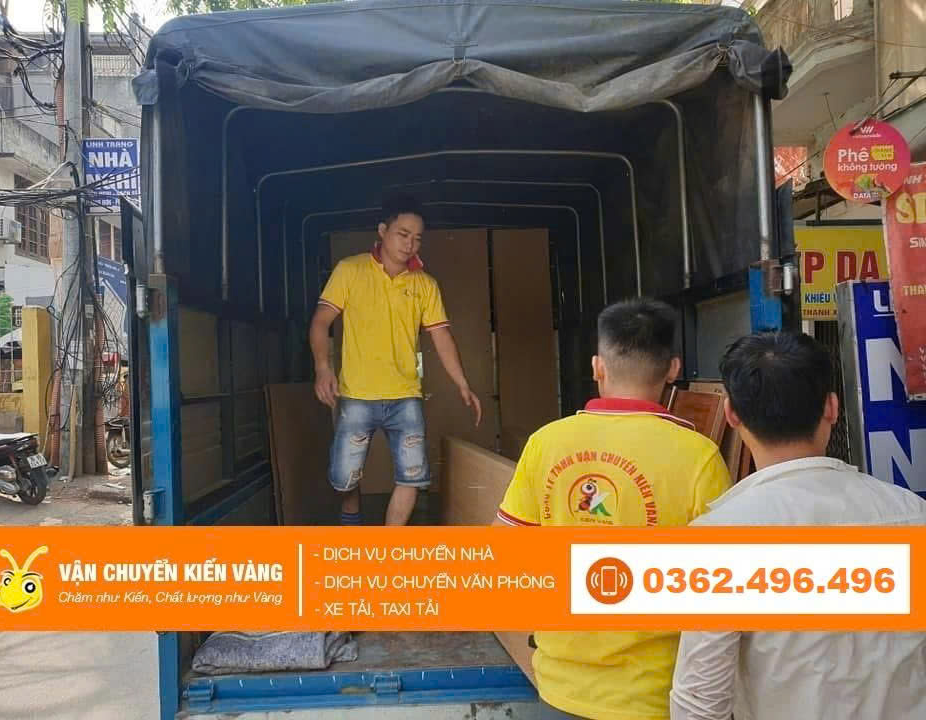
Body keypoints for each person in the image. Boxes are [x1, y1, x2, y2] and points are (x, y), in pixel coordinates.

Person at [495, 298, 731, 720]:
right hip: (656, 696)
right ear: (674, 369)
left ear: (597, 367)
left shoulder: (546, 443)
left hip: (560, 689)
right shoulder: (699, 456)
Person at [670, 331, 926, 720]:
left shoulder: (722, 538)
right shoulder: (912, 515)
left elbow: (700, 703)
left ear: (732, 414)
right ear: (832, 408)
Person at [309, 194, 482, 526]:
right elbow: (320, 322)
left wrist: (463, 384)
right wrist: (322, 368)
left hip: (406, 397)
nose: (411, 244)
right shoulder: (350, 270)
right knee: (346, 477)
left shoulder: (425, 285)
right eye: (403, 234)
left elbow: (442, 338)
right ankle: (351, 523)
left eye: (417, 238)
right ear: (382, 230)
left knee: (412, 476)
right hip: (357, 394)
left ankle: (387, 553)